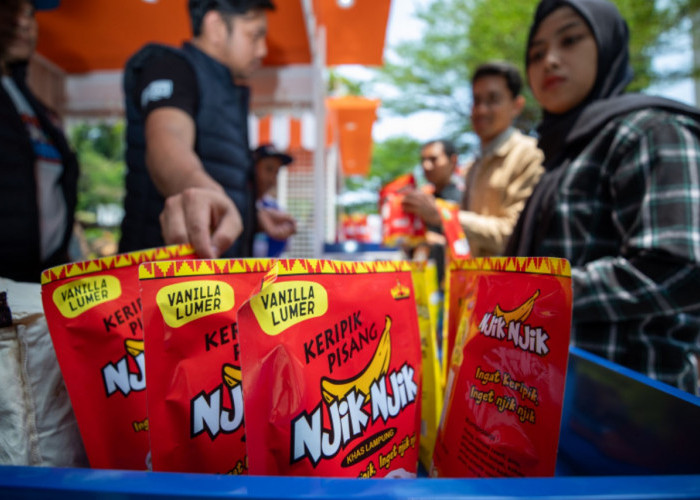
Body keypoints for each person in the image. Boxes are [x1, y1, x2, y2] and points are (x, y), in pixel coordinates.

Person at [506, 0, 700, 394]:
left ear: (608, 46)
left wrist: (537, 294)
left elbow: (681, 266)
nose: (550, 61)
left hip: (631, 410)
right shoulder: (562, 155)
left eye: (571, 39)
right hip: (553, 402)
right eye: (536, 53)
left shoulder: (652, 130)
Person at [119, 0, 294, 258]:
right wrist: (203, 192)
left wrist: (252, 216)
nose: (262, 50)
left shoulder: (225, 92)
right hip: (161, 278)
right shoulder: (170, 67)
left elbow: (221, 172)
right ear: (215, 26)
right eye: (254, 35)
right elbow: (168, 141)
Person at [0, 0, 79, 283]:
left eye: (30, 13)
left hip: (40, 279)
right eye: (10, 9)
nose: (23, 22)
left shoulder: (35, 108)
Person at [458, 61, 544, 257]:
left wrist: (448, 218)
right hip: (474, 282)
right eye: (476, 100)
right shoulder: (472, 166)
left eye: (493, 100)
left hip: (512, 284)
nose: (481, 110)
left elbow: (515, 233)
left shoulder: (530, 154)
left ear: (517, 105)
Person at [401, 139, 463, 285]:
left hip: (455, 285)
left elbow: (472, 243)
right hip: (424, 283)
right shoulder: (422, 198)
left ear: (452, 161)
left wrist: (438, 240)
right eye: (423, 160)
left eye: (433, 159)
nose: (426, 165)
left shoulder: (465, 198)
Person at [251, 143, 296, 257]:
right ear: (252, 168)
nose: (272, 178)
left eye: (276, 172)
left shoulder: (276, 208)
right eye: (268, 169)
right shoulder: (237, 204)